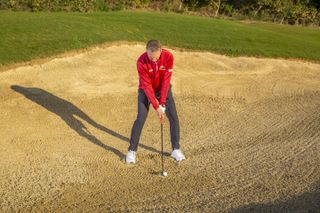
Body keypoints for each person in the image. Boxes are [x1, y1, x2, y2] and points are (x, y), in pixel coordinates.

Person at [126, 39, 186, 164]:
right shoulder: (141, 62)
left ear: (161, 51)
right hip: (145, 90)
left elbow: (166, 81)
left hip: (162, 89)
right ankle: (132, 151)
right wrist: (156, 106)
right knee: (141, 118)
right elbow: (147, 86)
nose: (153, 60)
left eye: (156, 58)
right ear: (146, 51)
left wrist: (162, 102)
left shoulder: (168, 57)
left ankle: (176, 149)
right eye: (150, 57)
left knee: (174, 117)